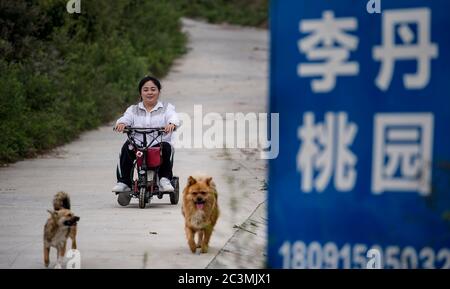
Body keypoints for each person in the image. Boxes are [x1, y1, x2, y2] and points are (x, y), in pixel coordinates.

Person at [112, 76, 180, 193]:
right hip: (137, 144)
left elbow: (173, 117)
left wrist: (171, 124)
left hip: (159, 143)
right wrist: (121, 123)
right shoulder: (133, 109)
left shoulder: (167, 108)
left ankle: (164, 180)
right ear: (140, 92)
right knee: (126, 148)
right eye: (146, 89)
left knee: (167, 148)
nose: (149, 92)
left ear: (159, 92)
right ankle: (124, 182)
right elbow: (126, 118)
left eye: (153, 89)